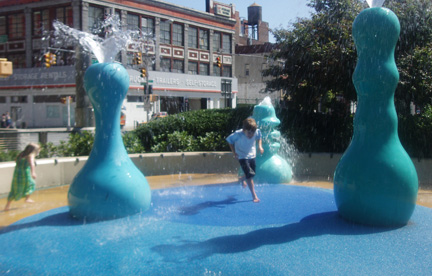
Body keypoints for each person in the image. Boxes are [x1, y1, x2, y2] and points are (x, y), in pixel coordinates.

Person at [226, 118, 264, 203]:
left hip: (252, 155)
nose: (251, 135)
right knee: (250, 176)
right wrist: (234, 152)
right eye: (249, 133)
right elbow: (229, 141)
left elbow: (259, 137)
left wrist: (260, 146)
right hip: (242, 156)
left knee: (252, 173)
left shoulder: (256, 131)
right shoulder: (238, 134)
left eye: (252, 133)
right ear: (244, 130)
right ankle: (254, 195)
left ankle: (242, 179)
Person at [4, 143, 41, 211]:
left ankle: (7, 206)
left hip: (17, 174)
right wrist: (33, 172)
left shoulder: (21, 154)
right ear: (33, 151)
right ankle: (27, 199)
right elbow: (32, 164)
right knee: (31, 184)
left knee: (14, 189)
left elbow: (16, 161)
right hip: (24, 173)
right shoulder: (30, 156)